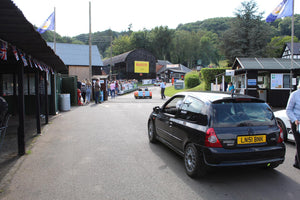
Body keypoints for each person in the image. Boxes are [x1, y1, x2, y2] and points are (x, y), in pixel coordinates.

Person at [286, 82, 300, 170]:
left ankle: (296, 162)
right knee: (299, 143)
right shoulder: (294, 95)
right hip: (297, 123)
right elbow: (288, 110)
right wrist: (294, 120)